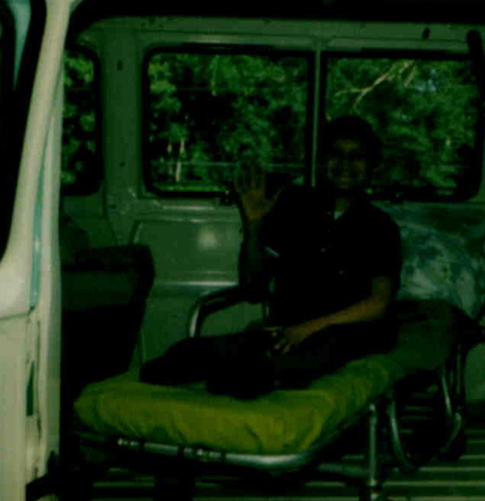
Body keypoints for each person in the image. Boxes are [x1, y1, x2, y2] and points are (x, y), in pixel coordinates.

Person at [140, 116, 402, 398]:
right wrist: (254, 226)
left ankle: (252, 378)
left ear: (372, 166)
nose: (345, 165)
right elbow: (253, 284)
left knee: (301, 356)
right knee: (184, 355)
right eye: (336, 155)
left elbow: (378, 303)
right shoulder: (296, 208)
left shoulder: (380, 227)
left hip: (344, 334)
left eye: (356, 157)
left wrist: (306, 329)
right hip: (285, 331)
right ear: (322, 161)